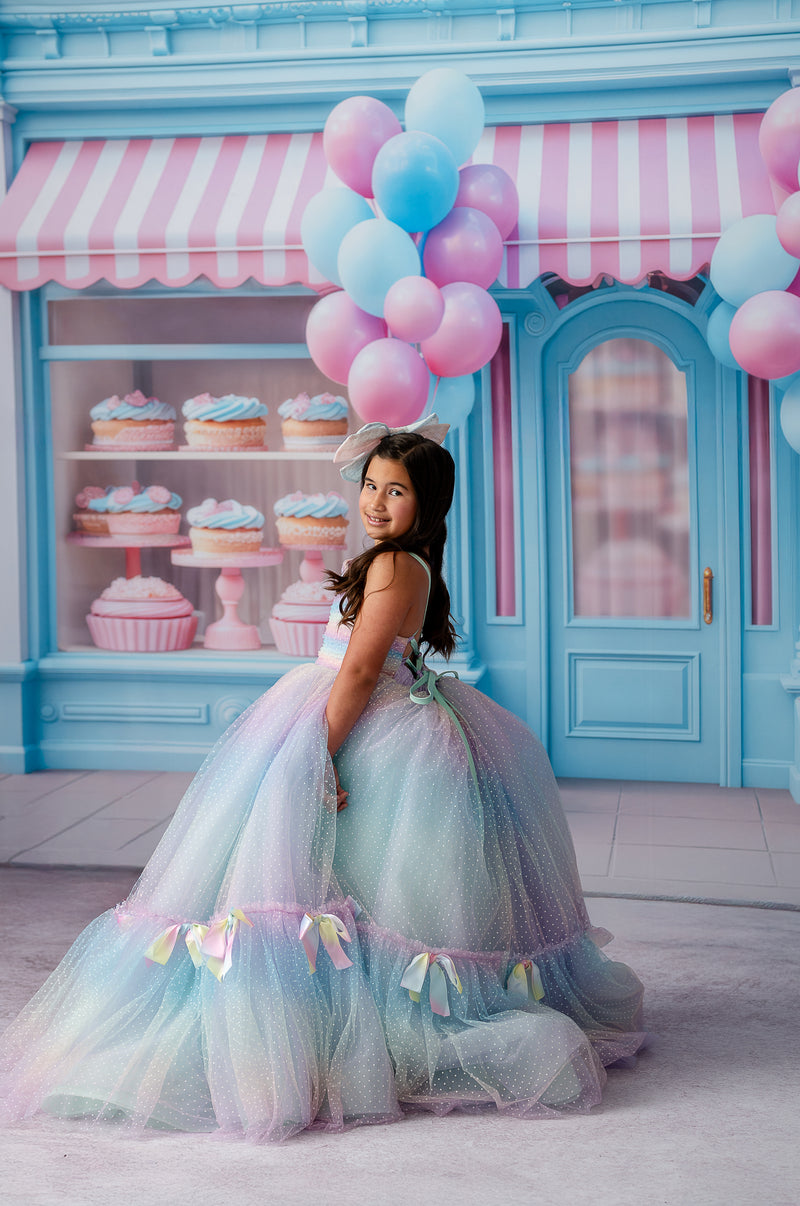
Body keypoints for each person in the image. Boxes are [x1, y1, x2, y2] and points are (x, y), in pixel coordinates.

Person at [0, 416, 645, 1142]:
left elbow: (362, 670)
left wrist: (319, 753)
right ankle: (347, 1016)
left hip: (362, 724)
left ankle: (340, 1031)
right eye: (369, 486)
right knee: (359, 884)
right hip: (379, 718)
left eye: (395, 492)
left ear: (426, 504)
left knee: (318, 873)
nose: (375, 503)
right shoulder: (404, 564)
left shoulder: (395, 566)